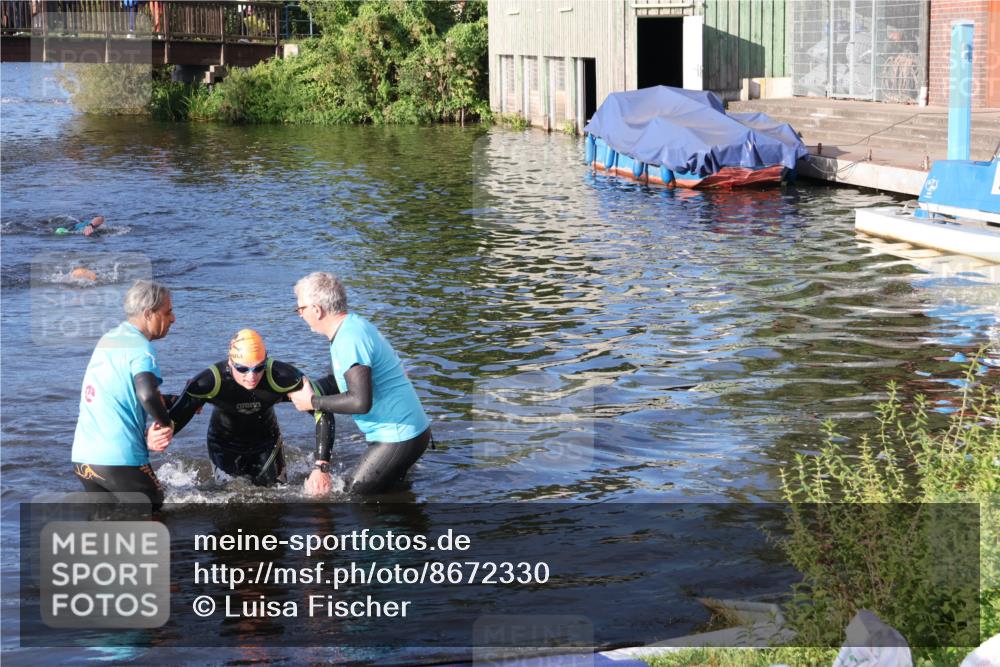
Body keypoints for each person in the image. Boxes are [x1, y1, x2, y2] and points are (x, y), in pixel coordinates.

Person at [289, 272, 431, 496]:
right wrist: (304, 390)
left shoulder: (348, 339)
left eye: (300, 309)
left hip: (398, 436)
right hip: (408, 432)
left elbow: (360, 401)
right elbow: (344, 380)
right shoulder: (353, 326)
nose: (300, 315)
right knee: (394, 499)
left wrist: (313, 402)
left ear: (316, 310)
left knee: (354, 497)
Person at [168, 328, 334, 487]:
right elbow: (174, 419)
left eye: (259, 367)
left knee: (278, 497)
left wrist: (321, 467)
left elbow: (323, 411)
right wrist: (156, 436)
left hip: (266, 443)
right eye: (242, 369)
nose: (251, 376)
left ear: (266, 360)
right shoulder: (210, 381)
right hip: (224, 444)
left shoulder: (281, 376)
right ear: (230, 362)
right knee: (230, 500)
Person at [71, 280, 176, 510]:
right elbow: (146, 394)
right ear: (148, 314)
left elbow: (122, 391)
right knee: (156, 519)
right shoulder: (141, 347)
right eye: (167, 312)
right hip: (120, 461)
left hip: (84, 459)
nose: (173, 319)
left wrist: (168, 401)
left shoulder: (110, 338)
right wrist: (166, 424)